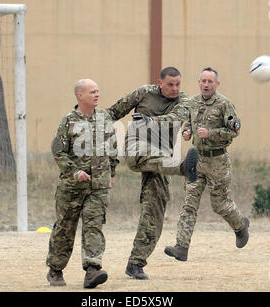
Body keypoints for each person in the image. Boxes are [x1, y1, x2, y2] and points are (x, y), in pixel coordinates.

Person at [146, 67, 249, 261]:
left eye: (210, 81)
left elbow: (235, 131)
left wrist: (211, 134)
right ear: (199, 83)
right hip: (196, 159)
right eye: (203, 81)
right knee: (189, 204)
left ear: (217, 84)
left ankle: (241, 225)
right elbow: (189, 124)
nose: (206, 85)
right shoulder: (192, 103)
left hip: (218, 161)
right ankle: (181, 247)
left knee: (220, 204)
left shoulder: (225, 104)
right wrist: (188, 133)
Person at [107, 66, 199, 280]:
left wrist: (150, 121)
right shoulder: (143, 93)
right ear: (160, 83)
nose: (175, 89)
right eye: (170, 84)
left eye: (178, 84)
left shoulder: (184, 101)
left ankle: (136, 263)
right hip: (137, 148)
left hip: (162, 161)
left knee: (155, 210)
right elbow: (113, 112)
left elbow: (176, 118)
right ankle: (183, 168)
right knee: (146, 153)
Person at [46, 79, 119, 288]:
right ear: (80, 95)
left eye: (98, 91)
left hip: (98, 186)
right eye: (92, 92)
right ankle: (55, 269)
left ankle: (92, 270)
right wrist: (74, 172)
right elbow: (58, 151)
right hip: (72, 188)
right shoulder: (68, 121)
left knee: (94, 226)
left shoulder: (104, 118)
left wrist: (112, 172)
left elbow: (112, 147)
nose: (97, 95)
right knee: (65, 229)